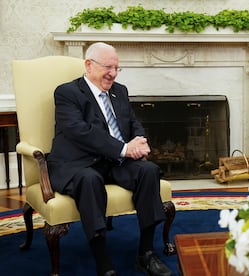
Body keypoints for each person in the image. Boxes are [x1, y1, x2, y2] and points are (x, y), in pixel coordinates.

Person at [46, 42, 172, 276]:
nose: (113, 73)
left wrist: (140, 140)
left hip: (112, 162)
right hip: (78, 163)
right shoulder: (67, 93)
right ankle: (104, 264)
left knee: (149, 171)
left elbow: (132, 122)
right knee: (89, 180)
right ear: (88, 65)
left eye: (117, 68)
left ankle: (146, 254)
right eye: (108, 67)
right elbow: (80, 132)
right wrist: (124, 149)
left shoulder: (119, 90)